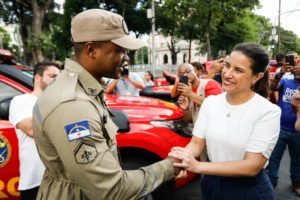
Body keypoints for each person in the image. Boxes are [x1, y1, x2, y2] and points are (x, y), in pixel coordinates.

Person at [32, 9, 181, 200]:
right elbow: (111, 190)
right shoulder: (73, 105)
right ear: (91, 50)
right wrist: (169, 167)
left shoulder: (83, 89)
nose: (127, 58)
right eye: (119, 50)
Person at [169, 43, 281, 200]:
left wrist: (197, 166)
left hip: (247, 190)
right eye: (227, 65)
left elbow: (252, 166)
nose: (227, 74)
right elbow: (197, 143)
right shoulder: (210, 102)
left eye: (239, 70)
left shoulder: (268, 111)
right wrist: (182, 159)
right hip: (211, 183)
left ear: (257, 77)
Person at [9, 62, 61, 200]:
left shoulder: (61, 103)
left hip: (64, 180)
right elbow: (32, 130)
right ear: (38, 78)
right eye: (52, 76)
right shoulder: (21, 101)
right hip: (36, 181)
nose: (57, 80)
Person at [267, 58, 300, 195]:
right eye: (297, 65)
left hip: (298, 130)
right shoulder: (286, 81)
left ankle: (297, 182)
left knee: (297, 159)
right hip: (280, 127)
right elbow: (273, 88)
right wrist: (279, 74)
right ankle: (271, 183)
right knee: (274, 157)